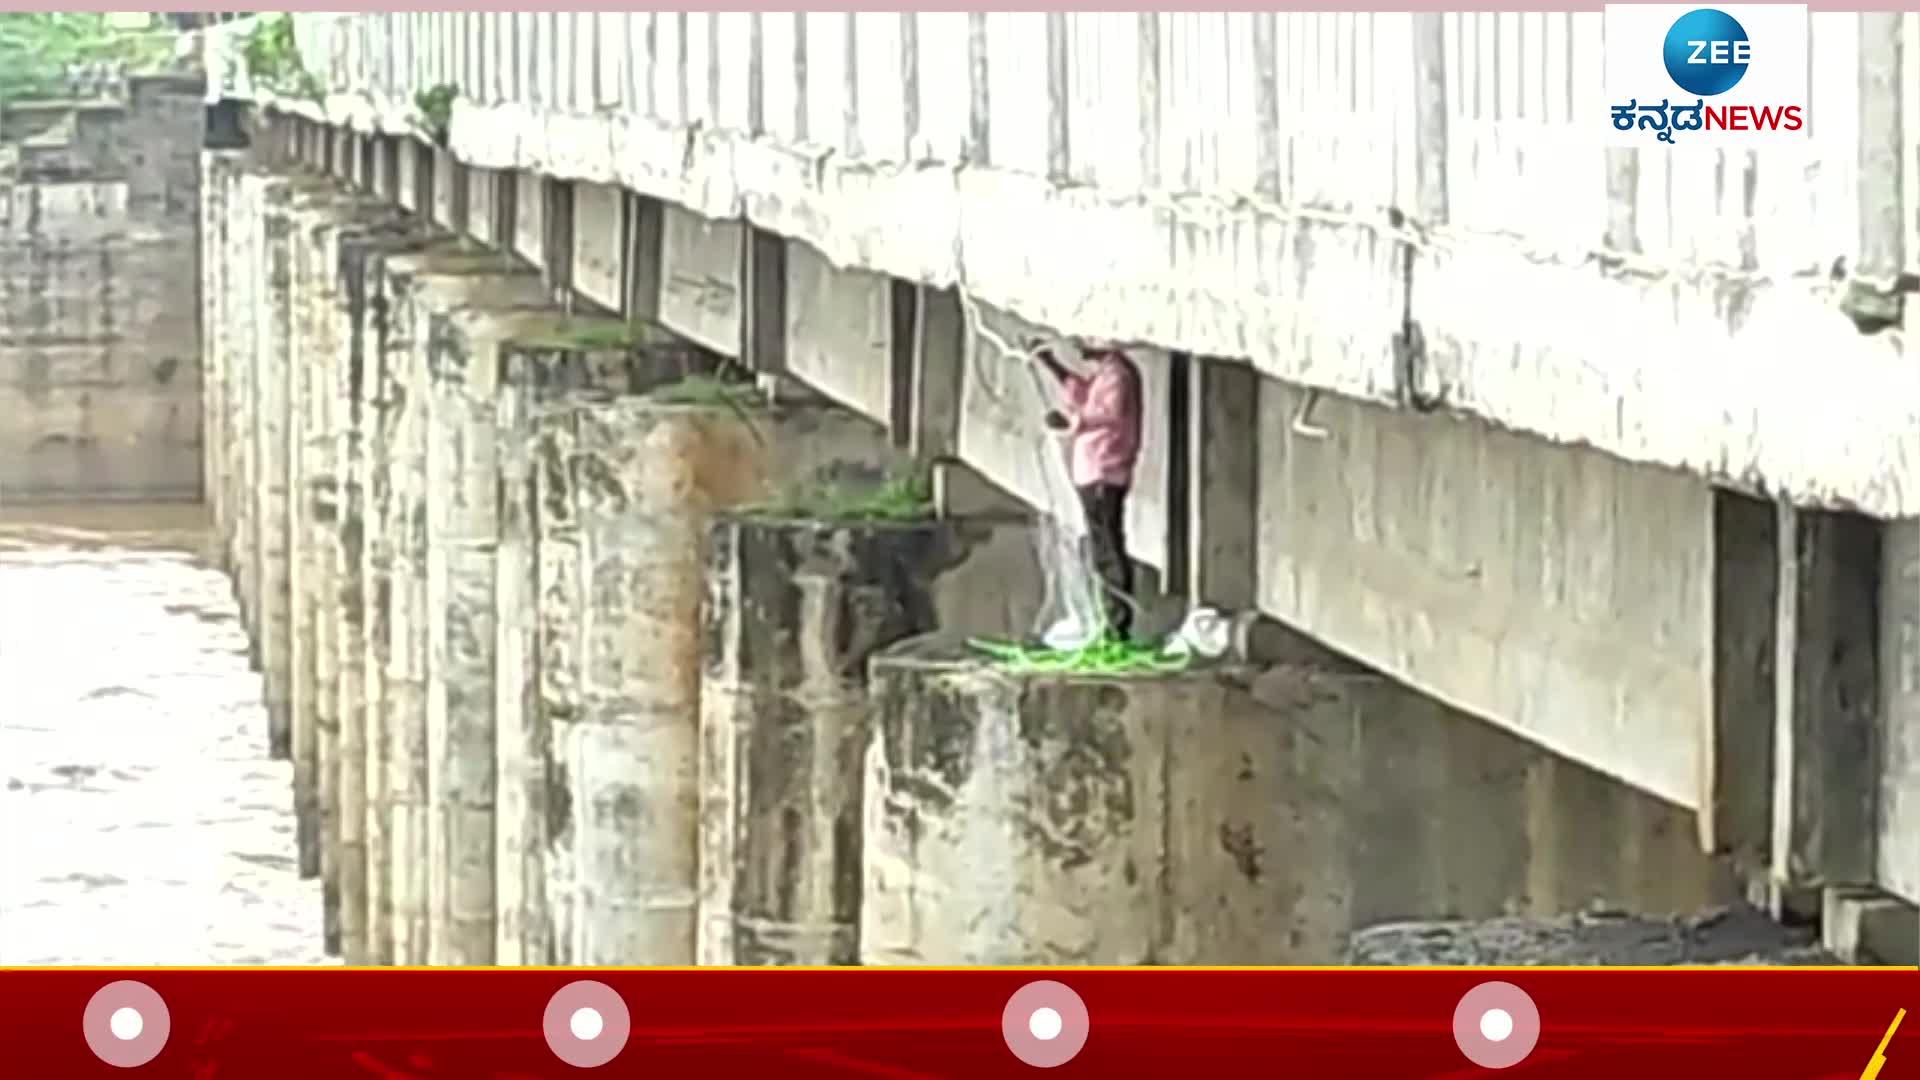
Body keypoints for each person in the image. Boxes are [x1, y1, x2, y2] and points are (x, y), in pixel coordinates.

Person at [1029, 337, 1143, 641]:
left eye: (1085, 340)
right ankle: (1109, 618)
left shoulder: (1118, 375)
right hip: (1092, 472)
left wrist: (1071, 422)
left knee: (1107, 546)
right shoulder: (1105, 375)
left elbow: (1108, 413)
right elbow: (1083, 395)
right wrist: (1051, 364)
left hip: (1105, 470)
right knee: (1100, 545)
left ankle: (1117, 624)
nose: (1079, 345)